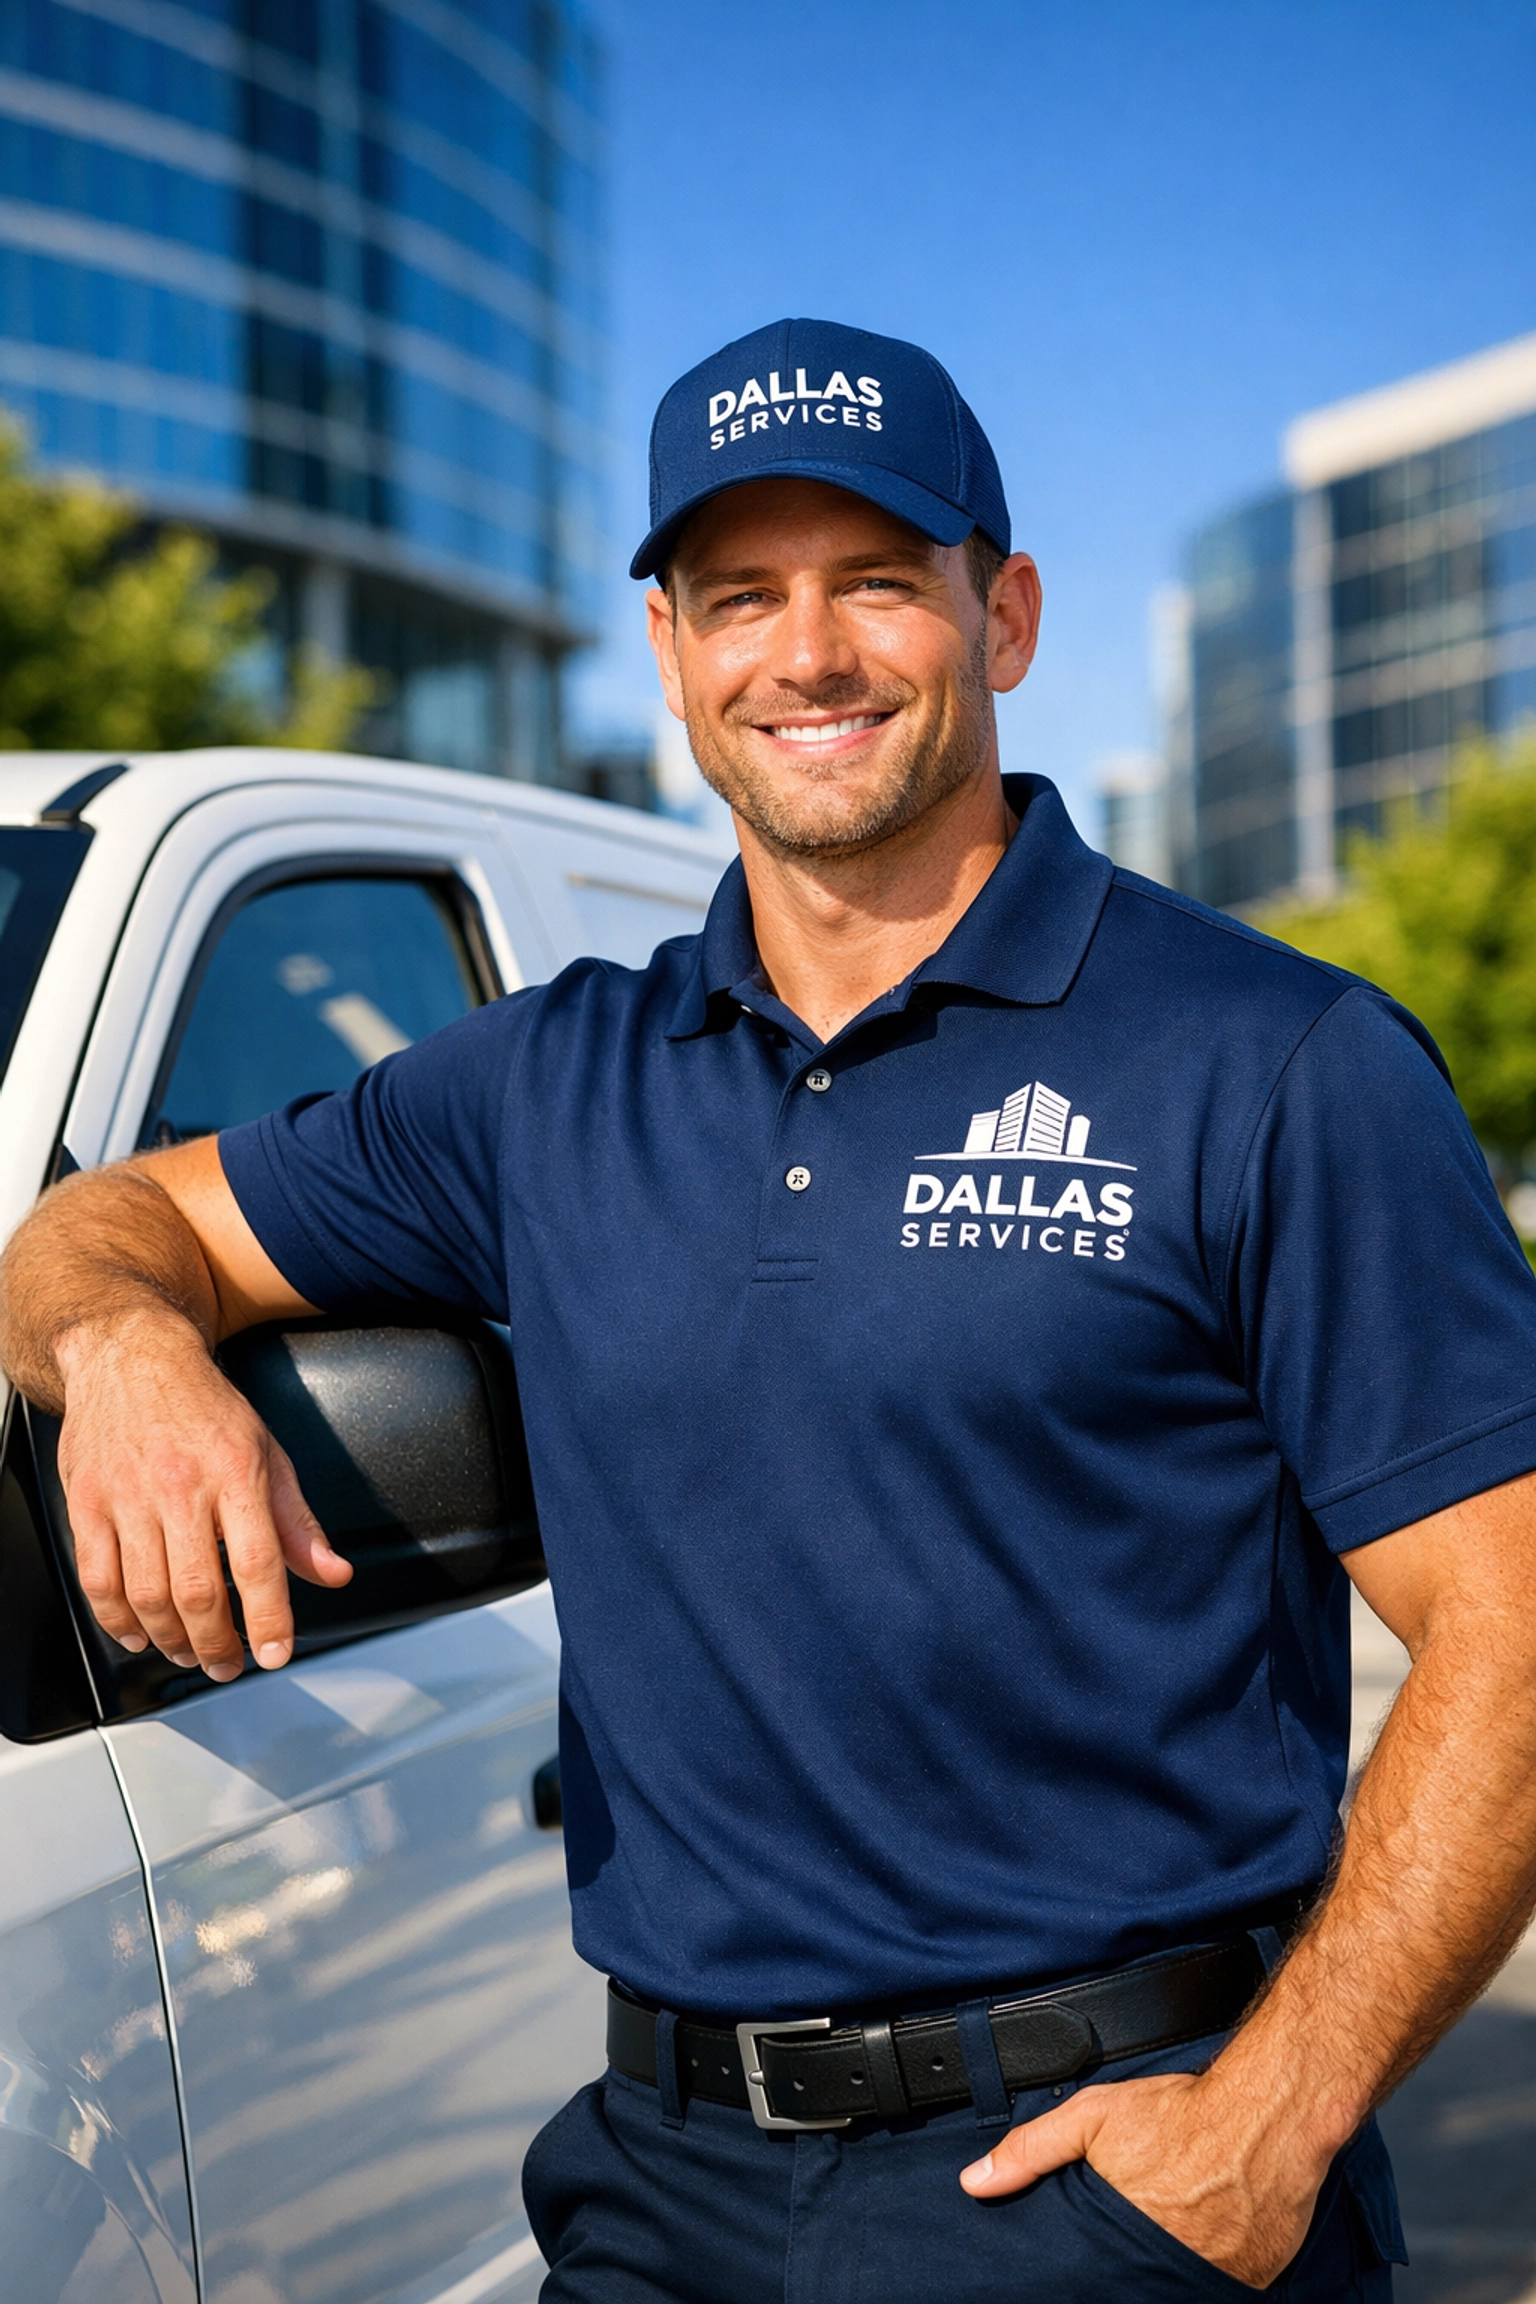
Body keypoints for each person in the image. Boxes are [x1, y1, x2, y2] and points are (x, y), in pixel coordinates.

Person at [4, 317, 1536, 2304]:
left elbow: (1510, 1624)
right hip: (661, 2189)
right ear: (668, 655)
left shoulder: (1274, 1059)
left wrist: (1272, 2122)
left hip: (1104, 2181)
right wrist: (125, 1352)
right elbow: (108, 1224)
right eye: (739, 596)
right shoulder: (547, 1083)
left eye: (875, 583)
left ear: (1006, 613)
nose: (803, 655)